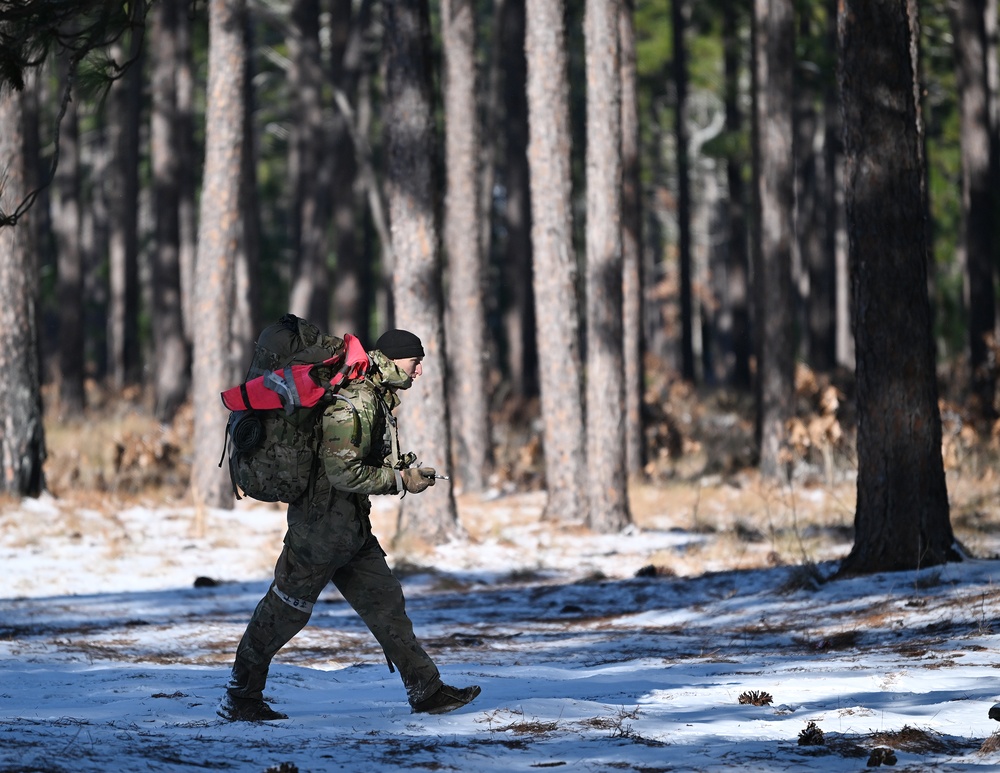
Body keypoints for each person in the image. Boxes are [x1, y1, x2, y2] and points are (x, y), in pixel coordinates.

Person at [219, 329, 481, 721]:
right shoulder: (357, 400)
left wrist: (401, 469)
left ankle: (426, 690)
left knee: (386, 604)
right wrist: (399, 481)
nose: (419, 371)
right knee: (285, 611)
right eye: (415, 362)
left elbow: (355, 465)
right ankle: (241, 696)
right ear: (393, 361)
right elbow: (342, 472)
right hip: (319, 531)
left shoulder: (372, 394)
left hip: (351, 530)